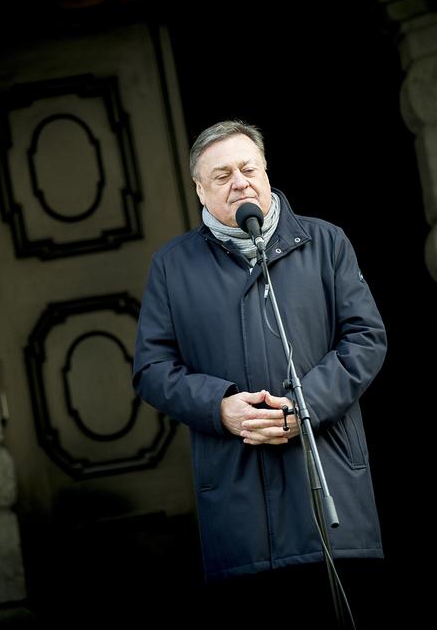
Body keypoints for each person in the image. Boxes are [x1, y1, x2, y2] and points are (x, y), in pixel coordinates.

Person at [132, 120, 387, 618]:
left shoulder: (325, 242)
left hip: (331, 486)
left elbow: (366, 338)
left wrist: (304, 405)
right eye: (222, 175)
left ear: (266, 173)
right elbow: (151, 368)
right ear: (200, 190)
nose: (240, 182)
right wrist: (219, 407)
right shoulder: (172, 265)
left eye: (249, 169)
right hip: (239, 503)